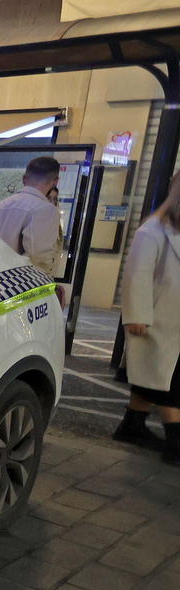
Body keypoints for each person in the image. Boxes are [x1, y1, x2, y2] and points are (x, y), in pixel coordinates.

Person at [116, 175, 180, 461]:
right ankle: (176, 443)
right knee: (170, 382)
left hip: (173, 320)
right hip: (158, 319)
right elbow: (137, 275)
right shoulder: (153, 230)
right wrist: (137, 315)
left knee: (157, 375)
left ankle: (133, 423)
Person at [0, 156, 62, 276]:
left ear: (24, 179)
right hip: (19, 287)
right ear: (55, 181)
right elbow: (40, 261)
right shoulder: (45, 209)